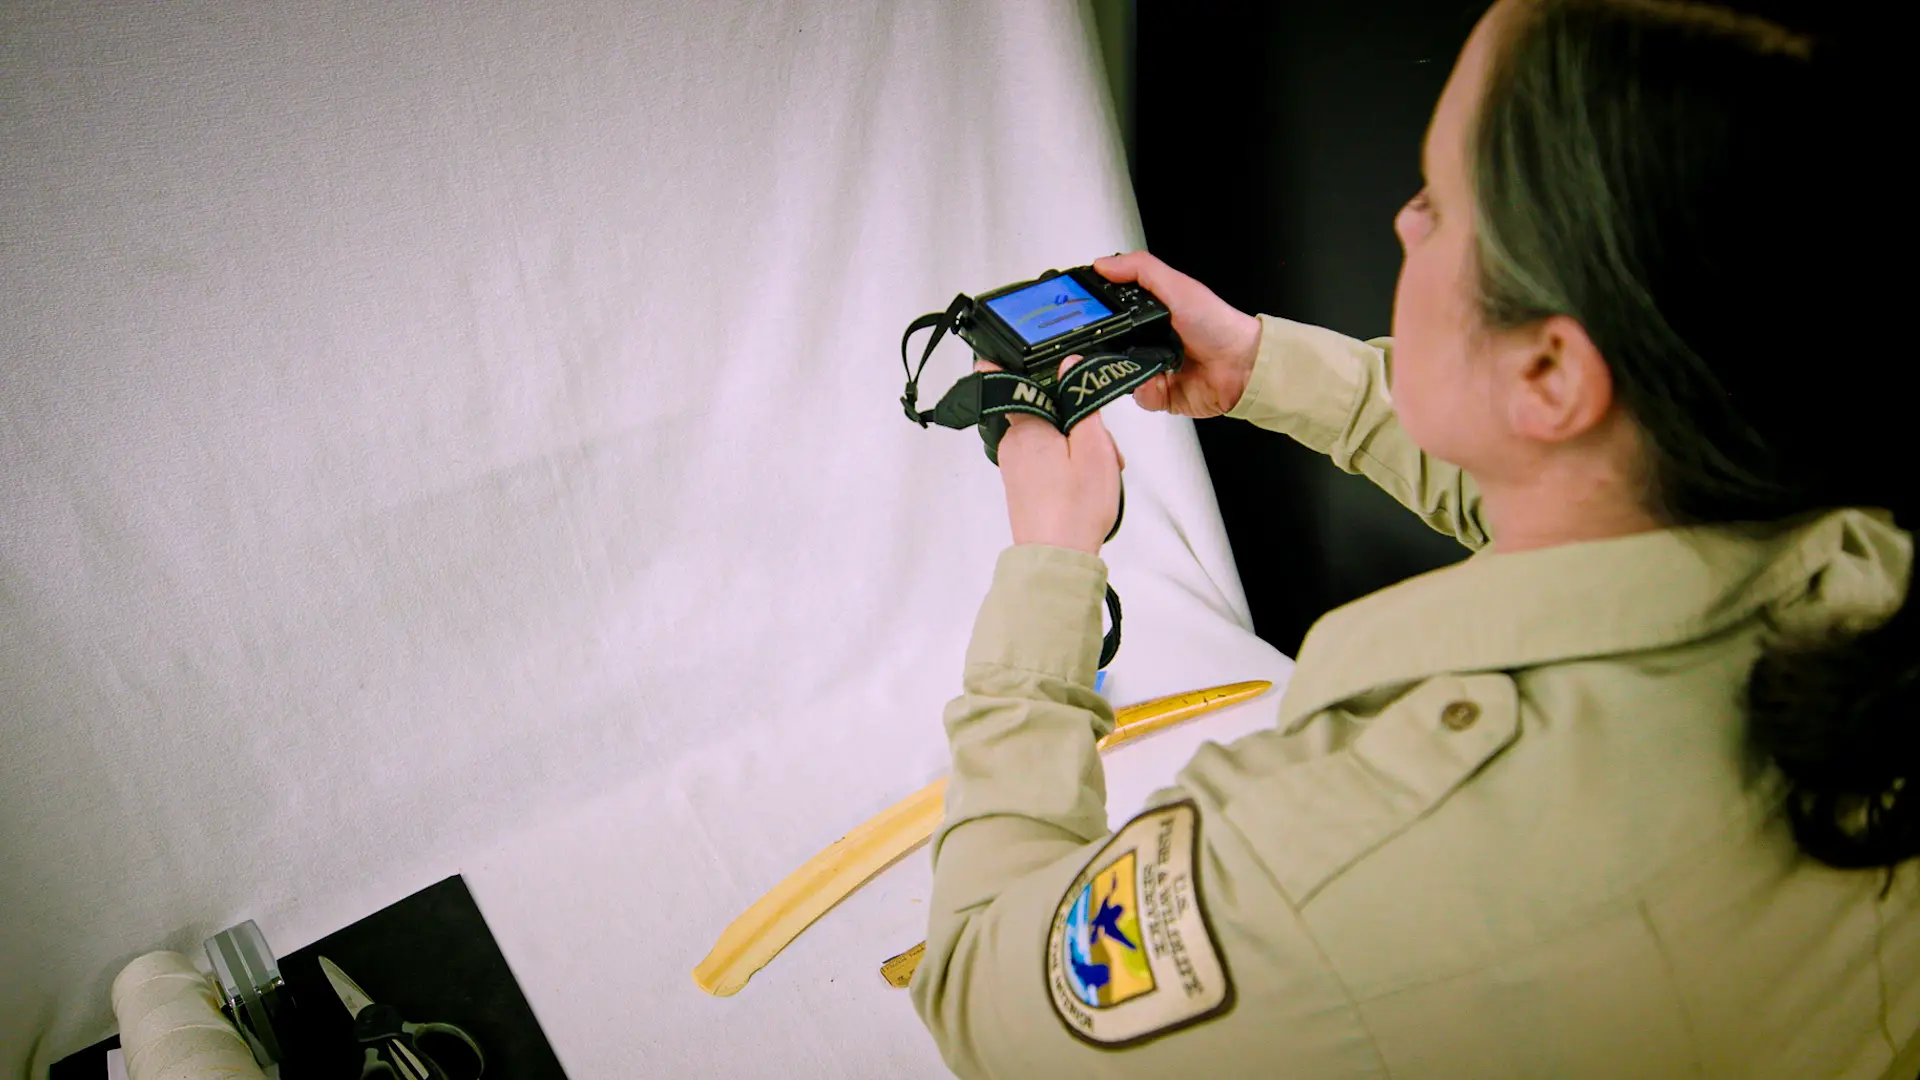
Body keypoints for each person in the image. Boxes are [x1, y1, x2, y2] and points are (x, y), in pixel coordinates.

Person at [908, 0, 1917, 1076]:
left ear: (1552, 374)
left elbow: (983, 989)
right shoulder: (1865, 576)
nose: (1403, 220)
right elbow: (1576, 493)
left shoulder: (1325, 873)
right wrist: (1262, 365)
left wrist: (1053, 563)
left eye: (1439, 202)